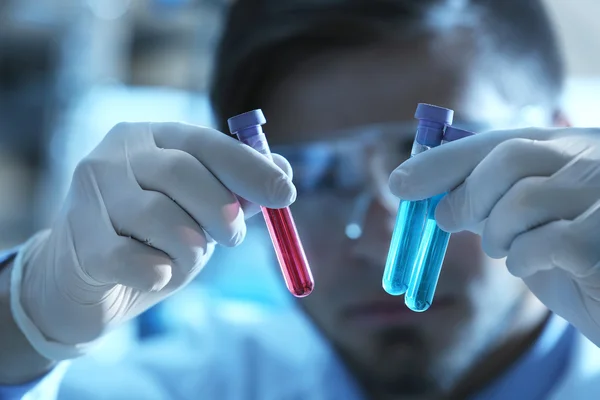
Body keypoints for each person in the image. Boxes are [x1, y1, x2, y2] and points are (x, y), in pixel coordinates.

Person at [1, 0, 600, 398]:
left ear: (556, 130)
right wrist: (22, 321)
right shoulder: (208, 384)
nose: (376, 237)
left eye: (437, 156)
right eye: (308, 176)